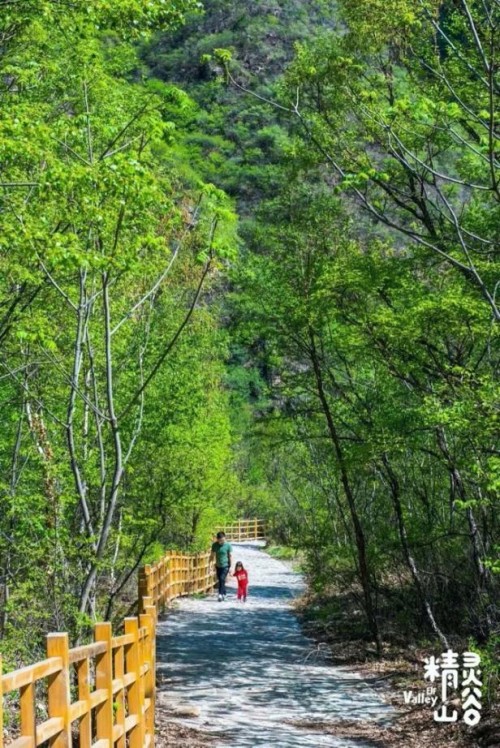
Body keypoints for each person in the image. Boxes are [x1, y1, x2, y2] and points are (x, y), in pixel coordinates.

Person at [211, 531, 232, 601]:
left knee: (222, 578)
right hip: (218, 565)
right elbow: (212, 555)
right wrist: (210, 565)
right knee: (220, 580)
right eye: (220, 540)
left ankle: (220, 594)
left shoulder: (228, 545)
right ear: (217, 539)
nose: (221, 542)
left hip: (226, 565)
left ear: (225, 538)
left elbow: (230, 556)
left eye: (223, 540)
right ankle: (224, 593)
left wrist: (231, 566)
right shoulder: (214, 545)